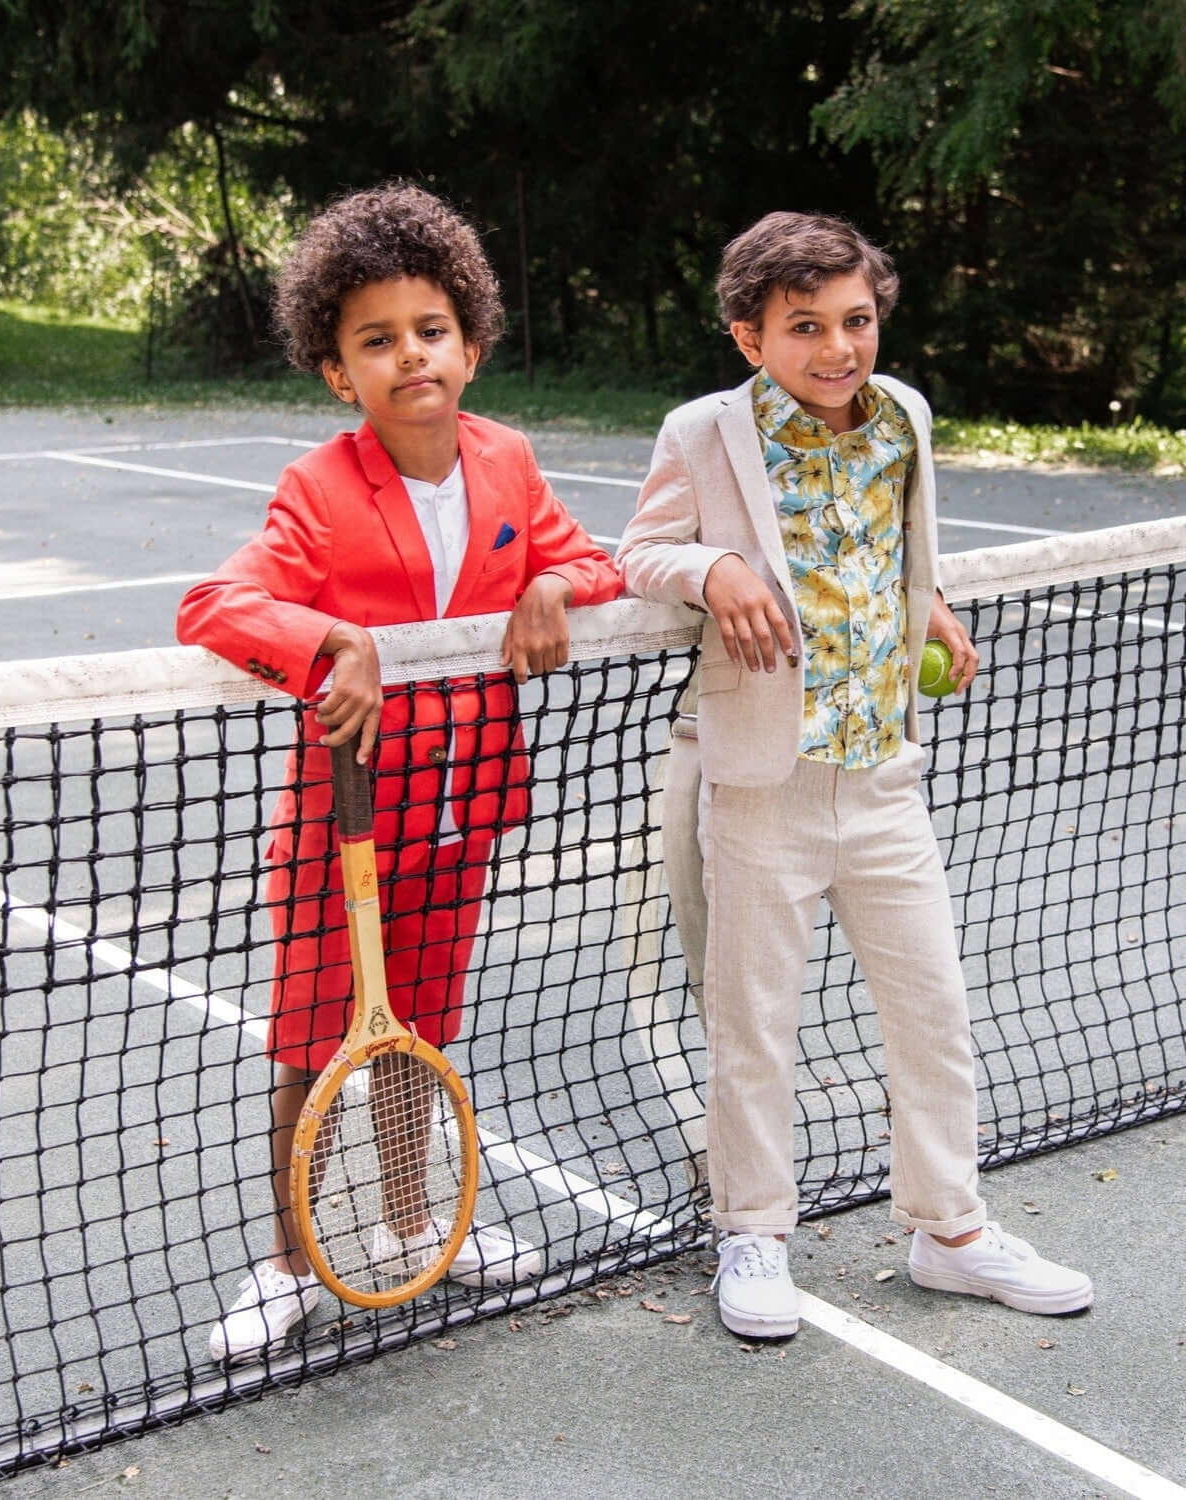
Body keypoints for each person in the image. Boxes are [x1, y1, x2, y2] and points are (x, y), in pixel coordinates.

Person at [616, 210, 1093, 1340]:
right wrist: (715, 563)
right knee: (754, 1026)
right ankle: (753, 1234)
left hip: (884, 781)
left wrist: (926, 598)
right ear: (749, 336)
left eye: (856, 320)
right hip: (758, 787)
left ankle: (949, 1231)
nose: (838, 348)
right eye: (805, 327)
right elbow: (634, 556)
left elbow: (896, 538)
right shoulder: (703, 433)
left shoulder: (905, 418)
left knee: (935, 1012)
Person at [178, 181, 621, 1364]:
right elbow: (215, 603)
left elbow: (597, 564)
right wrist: (331, 641)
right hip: (347, 834)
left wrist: (554, 585)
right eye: (376, 340)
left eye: (429, 331)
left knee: (419, 1034)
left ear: (469, 344)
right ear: (339, 372)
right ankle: (284, 1263)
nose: (409, 355)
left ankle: (413, 1220)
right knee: (310, 1047)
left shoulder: (510, 464)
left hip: (462, 816)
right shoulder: (319, 492)